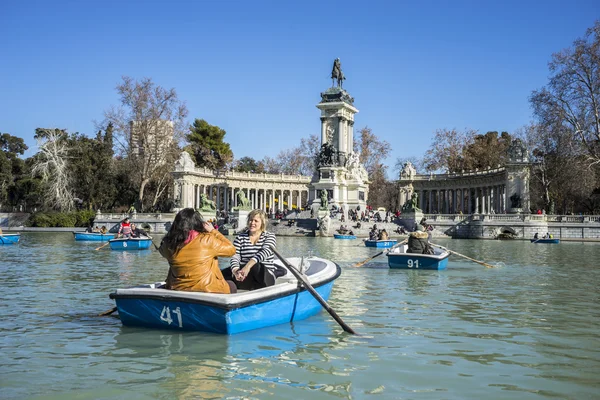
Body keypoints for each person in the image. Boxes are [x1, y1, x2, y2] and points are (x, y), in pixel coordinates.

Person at [159, 208, 237, 294]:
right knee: (232, 285)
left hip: (177, 287)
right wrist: (213, 231)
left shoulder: (169, 243)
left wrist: (171, 235)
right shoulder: (207, 240)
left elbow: (162, 251)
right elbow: (231, 249)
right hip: (207, 288)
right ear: (198, 223)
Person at [223, 209, 282, 290]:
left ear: (262, 223)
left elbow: (265, 252)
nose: (252, 223)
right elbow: (235, 256)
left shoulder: (270, 236)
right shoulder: (240, 237)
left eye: (256, 221)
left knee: (256, 266)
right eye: (250, 220)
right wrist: (236, 270)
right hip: (245, 276)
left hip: (264, 277)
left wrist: (248, 266)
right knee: (222, 272)